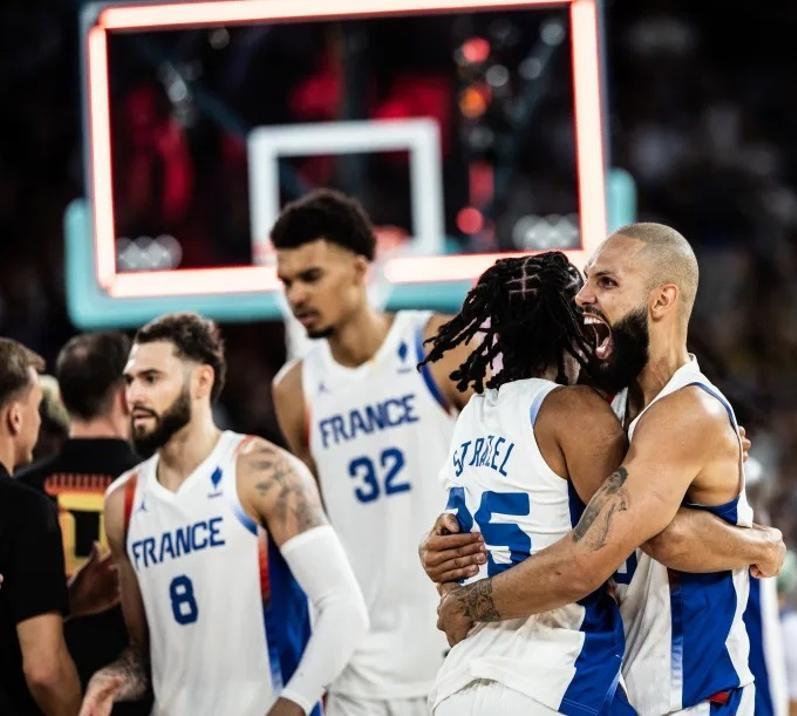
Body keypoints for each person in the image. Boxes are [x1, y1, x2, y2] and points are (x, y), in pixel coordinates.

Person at [421, 251, 783, 715]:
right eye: (586, 289)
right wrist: (759, 546)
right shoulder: (579, 414)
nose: (591, 299)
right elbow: (644, 532)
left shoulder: (474, 414)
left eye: (606, 283)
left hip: (467, 677)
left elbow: (458, 538)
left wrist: (450, 581)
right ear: (570, 326)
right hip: (553, 678)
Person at [79, 312, 368, 716]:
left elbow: (344, 607)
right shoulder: (122, 502)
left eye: (151, 379)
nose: (134, 396)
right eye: (129, 381)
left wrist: (294, 703)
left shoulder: (263, 472)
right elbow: (146, 657)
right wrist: (112, 677)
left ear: (202, 381)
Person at [270, 189, 477, 715]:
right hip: (359, 670)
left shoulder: (435, 342)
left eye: (310, 277)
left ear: (360, 269)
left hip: (459, 644)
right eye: (286, 282)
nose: (295, 296)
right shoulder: (294, 389)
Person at [17, 331, 150, 715]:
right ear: (126, 396)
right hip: (134, 697)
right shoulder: (157, 487)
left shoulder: (21, 492)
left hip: (38, 697)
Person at [0, 338, 81, 715]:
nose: (39, 419)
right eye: (36, 407)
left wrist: (70, 601)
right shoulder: (26, 511)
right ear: (14, 417)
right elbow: (45, 671)